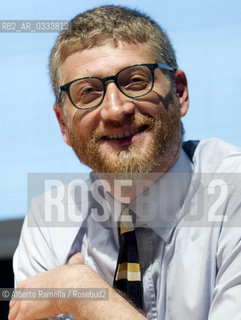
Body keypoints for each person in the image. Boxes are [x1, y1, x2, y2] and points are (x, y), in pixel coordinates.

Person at [9, 5, 241, 320]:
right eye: (88, 92)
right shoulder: (49, 222)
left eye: (135, 81)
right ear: (63, 124)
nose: (115, 110)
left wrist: (85, 296)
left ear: (180, 93)